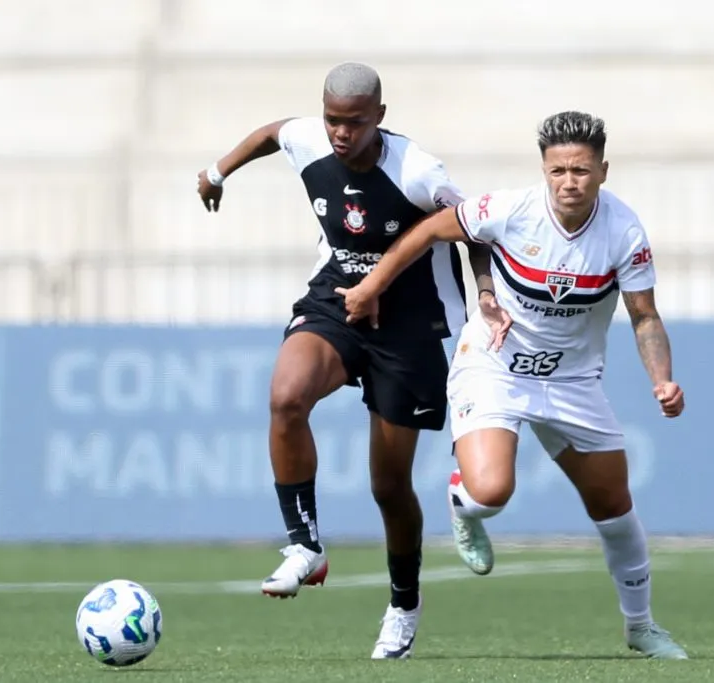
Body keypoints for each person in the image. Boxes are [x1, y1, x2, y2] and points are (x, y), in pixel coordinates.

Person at [335, 111, 689, 660]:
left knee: (615, 508)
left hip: (573, 380)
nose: (569, 182)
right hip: (496, 365)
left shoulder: (625, 231)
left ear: (603, 171)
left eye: (581, 170)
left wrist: (662, 380)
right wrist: (372, 286)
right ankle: (464, 502)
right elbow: (431, 228)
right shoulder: (510, 210)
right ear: (544, 171)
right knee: (492, 491)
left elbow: (644, 315)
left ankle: (640, 626)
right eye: (558, 171)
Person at [196, 62, 505, 660]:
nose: (340, 133)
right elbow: (270, 134)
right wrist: (216, 172)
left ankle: (403, 606)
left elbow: (475, 230)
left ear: (379, 119)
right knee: (286, 396)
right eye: (334, 120)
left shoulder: (418, 172)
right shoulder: (311, 139)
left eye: (354, 123)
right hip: (337, 301)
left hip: (410, 326)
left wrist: (487, 295)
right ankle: (304, 545)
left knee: (388, 487)